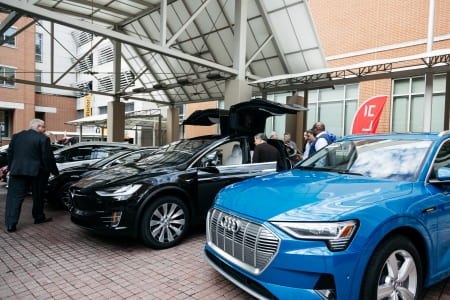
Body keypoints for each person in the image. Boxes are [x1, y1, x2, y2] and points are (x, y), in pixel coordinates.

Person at [5, 119, 59, 232]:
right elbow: (47, 158)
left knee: (14, 198)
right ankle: (38, 217)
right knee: (38, 195)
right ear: (39, 127)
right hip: (37, 172)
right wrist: (54, 171)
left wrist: (11, 167)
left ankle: (11, 224)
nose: (44, 130)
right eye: (43, 127)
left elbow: (10, 153)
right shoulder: (43, 138)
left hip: (17, 171)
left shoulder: (16, 136)